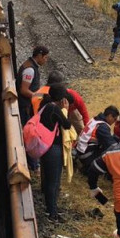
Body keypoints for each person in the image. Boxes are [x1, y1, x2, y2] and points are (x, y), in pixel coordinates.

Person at [37, 84, 72, 222]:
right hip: (53, 149)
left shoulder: (44, 105)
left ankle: (50, 209)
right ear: (61, 98)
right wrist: (65, 110)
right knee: (54, 181)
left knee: (48, 179)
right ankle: (52, 214)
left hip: (44, 147)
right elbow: (67, 124)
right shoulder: (54, 108)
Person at [18, 45, 50, 170]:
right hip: (25, 107)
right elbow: (24, 90)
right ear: (39, 56)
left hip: (26, 106)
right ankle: (33, 164)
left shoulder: (29, 65)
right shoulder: (30, 70)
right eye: (45, 58)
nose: (46, 60)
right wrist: (37, 96)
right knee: (29, 135)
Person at [74, 105, 120, 174]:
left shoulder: (95, 120)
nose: (114, 122)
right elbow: (111, 145)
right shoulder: (102, 127)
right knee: (110, 151)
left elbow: (109, 136)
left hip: (81, 152)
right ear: (110, 116)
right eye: (115, 119)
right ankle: (91, 169)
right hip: (87, 156)